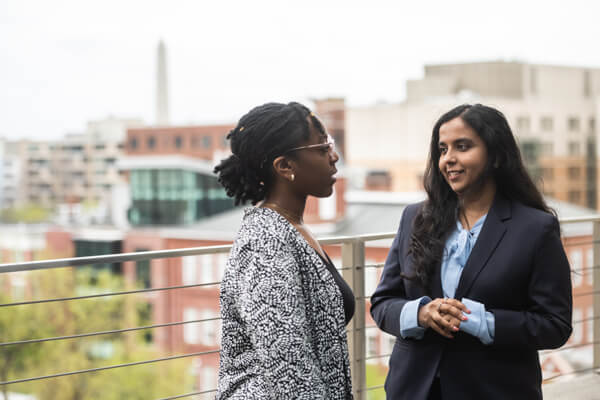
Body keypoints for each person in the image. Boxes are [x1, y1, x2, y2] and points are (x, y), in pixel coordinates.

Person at [370, 104, 573, 400]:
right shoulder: (415, 218)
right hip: (413, 389)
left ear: (495, 155)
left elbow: (554, 325)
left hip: (495, 390)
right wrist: (421, 313)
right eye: (442, 149)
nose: (448, 159)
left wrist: (481, 321)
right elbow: (383, 303)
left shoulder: (536, 228)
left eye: (462, 147)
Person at [214, 102, 354, 399]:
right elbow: (289, 367)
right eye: (321, 148)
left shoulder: (293, 228)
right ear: (284, 166)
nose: (334, 156)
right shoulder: (266, 240)